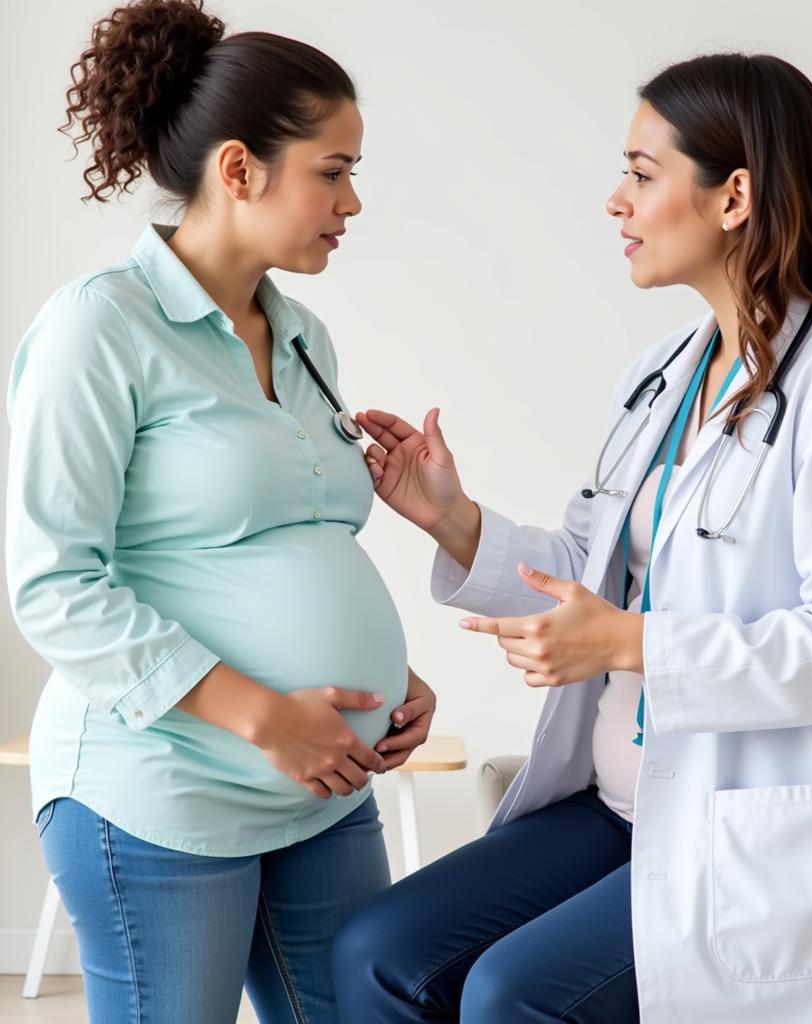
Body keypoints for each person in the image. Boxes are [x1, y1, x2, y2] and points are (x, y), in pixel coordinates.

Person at [331, 52, 812, 1024]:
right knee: (375, 951)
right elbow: (593, 573)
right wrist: (449, 518)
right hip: (625, 805)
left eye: (639, 172)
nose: (613, 201)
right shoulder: (665, 371)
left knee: (514, 995)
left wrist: (631, 642)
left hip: (757, 837)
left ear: (733, 196)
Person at [5, 2, 436, 1020]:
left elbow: (291, 537)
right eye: (333, 171)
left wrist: (390, 680)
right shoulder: (97, 328)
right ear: (240, 170)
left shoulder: (302, 339)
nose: (353, 201)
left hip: (320, 785)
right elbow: (54, 584)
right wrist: (264, 714)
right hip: (160, 786)